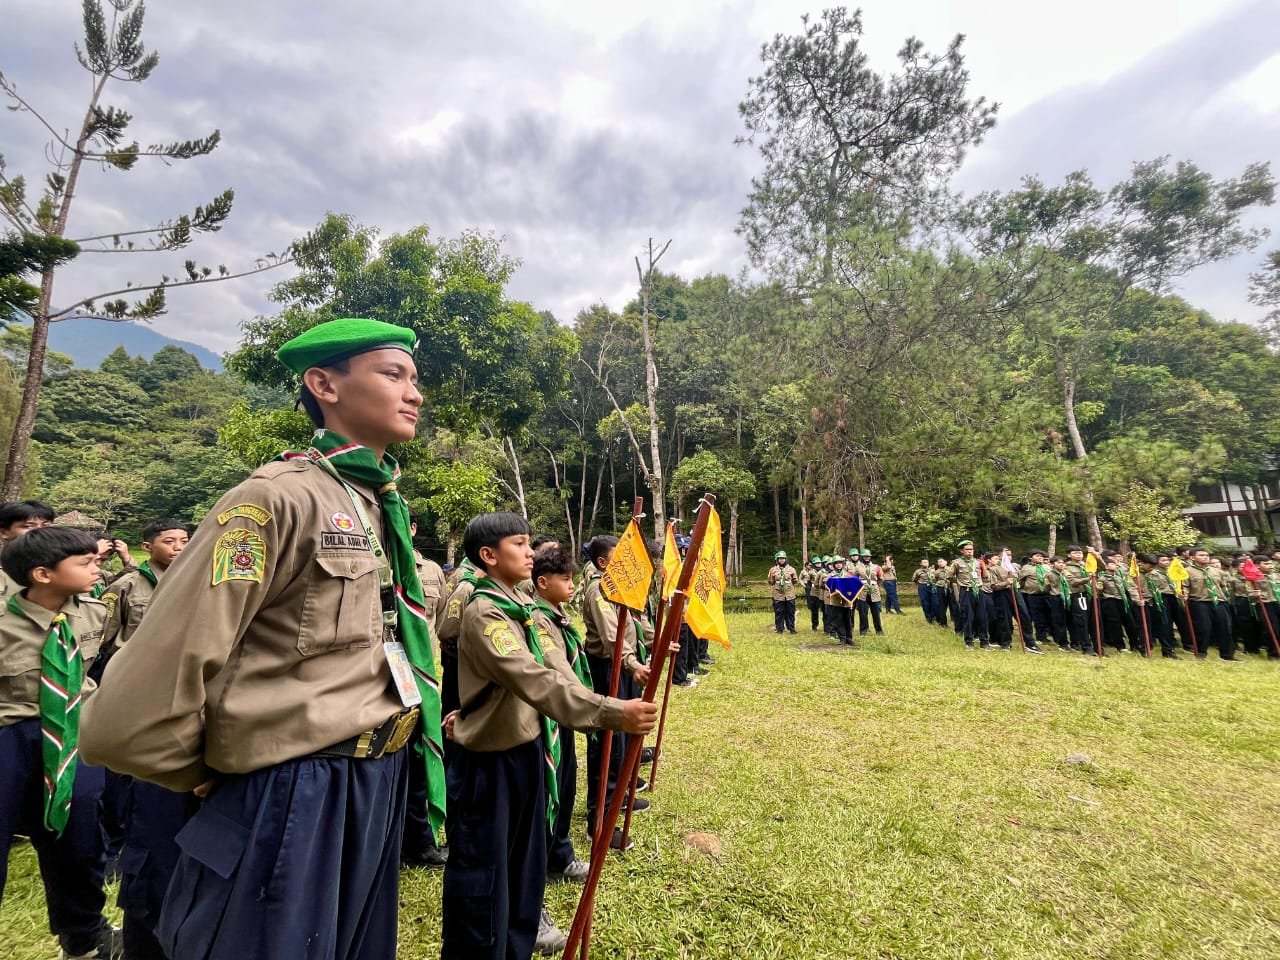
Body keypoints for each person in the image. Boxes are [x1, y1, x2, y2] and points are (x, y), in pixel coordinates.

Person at [80, 318, 447, 960]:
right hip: (293, 788)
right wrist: (222, 767)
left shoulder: (373, 504)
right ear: (323, 383)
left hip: (376, 777)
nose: (414, 393)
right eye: (393, 374)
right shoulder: (272, 500)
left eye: (415, 379)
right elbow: (132, 706)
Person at [441, 513, 656, 960]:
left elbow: (556, 667)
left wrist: (611, 696)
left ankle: (516, 944)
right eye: (519, 544)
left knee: (524, 866)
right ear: (489, 555)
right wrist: (612, 711)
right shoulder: (486, 612)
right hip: (491, 763)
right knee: (483, 873)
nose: (530, 552)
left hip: (526, 750)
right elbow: (532, 679)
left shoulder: (521, 607)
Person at [0, 527, 119, 960]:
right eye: (84, 563)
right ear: (42, 574)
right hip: (11, 735)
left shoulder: (92, 611)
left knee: (79, 841)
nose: (96, 568)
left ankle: (85, 938)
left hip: (72, 733)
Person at [94, 518, 191, 959]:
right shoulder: (129, 586)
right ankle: (117, 845)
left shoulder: (197, 580)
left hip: (184, 699)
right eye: (168, 541)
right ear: (147, 545)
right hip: (138, 692)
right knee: (128, 782)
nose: (177, 547)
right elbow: (104, 640)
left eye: (184, 541)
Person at [580, 535, 650, 849]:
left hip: (623, 666)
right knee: (607, 740)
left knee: (620, 738)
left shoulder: (618, 587)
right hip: (608, 667)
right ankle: (601, 817)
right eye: (619, 558)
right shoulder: (598, 589)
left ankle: (617, 797)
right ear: (603, 563)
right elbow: (612, 637)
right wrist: (631, 663)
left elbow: (633, 624)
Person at [1184, 547, 1236, 660]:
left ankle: (1227, 655)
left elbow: (1223, 585)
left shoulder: (1216, 571)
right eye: (1201, 555)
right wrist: (1184, 595)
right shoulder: (1187, 571)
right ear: (1192, 557)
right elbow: (1185, 587)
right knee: (1203, 628)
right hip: (1200, 602)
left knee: (1225, 628)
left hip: (1219, 601)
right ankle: (1201, 653)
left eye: (1207, 555)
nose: (1205, 557)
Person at [0, 499, 55, 598]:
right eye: (28, 526)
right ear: (3, 533)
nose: (40, 531)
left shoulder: (67, 568)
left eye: (46, 525)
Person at [1138, 554, 1180, 659]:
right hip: (1143, 602)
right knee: (1145, 627)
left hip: (1158, 601)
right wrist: (1137, 599)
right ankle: (1145, 649)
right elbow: (1132, 587)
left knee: (1164, 626)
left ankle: (1168, 650)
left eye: (1153, 566)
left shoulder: (1156, 573)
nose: (1151, 568)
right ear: (1142, 563)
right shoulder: (1134, 573)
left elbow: (1162, 587)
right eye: (1149, 566)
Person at [949, 541, 985, 649]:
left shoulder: (978, 562)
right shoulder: (957, 563)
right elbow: (949, 576)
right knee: (968, 617)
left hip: (978, 590)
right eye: (967, 549)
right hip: (966, 591)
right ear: (962, 550)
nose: (970, 551)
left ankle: (984, 642)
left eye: (971, 549)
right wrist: (960, 582)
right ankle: (969, 642)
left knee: (982, 617)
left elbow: (984, 575)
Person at [1062, 546, 1097, 654]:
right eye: (1075, 553)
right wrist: (1089, 578)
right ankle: (1086, 646)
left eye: (1080, 553)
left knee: (1093, 621)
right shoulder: (1066, 567)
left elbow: (1101, 568)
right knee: (1081, 621)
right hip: (1077, 595)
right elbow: (1072, 581)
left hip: (1090, 594)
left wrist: (1095, 555)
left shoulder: (1086, 564)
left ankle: (1096, 645)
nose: (1079, 555)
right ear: (1069, 555)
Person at [1018, 551, 1053, 648]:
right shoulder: (1027, 568)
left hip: (1047, 594)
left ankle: (1046, 634)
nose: (1040, 557)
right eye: (1037, 556)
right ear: (1030, 558)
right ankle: (1040, 637)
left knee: (1048, 615)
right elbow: (1021, 580)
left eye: (1041, 556)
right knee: (1038, 617)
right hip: (1033, 595)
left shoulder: (1047, 567)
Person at [824, 555, 855, 645]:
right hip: (836, 600)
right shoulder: (830, 575)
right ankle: (842, 638)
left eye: (840, 563)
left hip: (847, 600)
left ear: (843, 564)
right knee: (838, 619)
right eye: (836, 563)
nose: (838, 565)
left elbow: (852, 585)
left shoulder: (847, 574)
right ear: (833, 565)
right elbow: (827, 585)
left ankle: (849, 638)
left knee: (848, 619)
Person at [853, 549, 884, 637]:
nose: (867, 558)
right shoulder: (858, 567)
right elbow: (854, 579)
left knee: (876, 612)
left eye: (868, 556)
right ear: (861, 557)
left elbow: (881, 578)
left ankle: (879, 631)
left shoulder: (876, 567)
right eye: (865, 556)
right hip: (862, 591)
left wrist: (876, 586)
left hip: (874, 590)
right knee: (863, 612)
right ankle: (863, 631)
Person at [767, 550, 799, 634]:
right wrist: (772, 577)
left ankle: (791, 628)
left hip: (789, 594)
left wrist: (788, 585)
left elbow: (795, 580)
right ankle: (779, 628)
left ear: (786, 559)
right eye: (780, 558)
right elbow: (770, 582)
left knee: (790, 612)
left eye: (783, 558)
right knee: (779, 612)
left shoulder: (791, 569)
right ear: (777, 560)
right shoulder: (773, 569)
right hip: (778, 594)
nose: (782, 560)